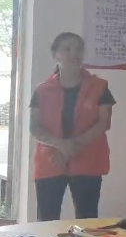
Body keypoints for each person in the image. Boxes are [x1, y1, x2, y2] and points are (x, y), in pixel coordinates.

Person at [30, 32, 114, 221]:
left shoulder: (99, 86)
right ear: (55, 54)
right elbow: (34, 128)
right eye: (67, 49)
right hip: (51, 160)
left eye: (78, 49)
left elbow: (104, 123)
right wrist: (61, 145)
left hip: (88, 158)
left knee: (87, 219)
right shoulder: (42, 90)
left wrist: (73, 146)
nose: (74, 53)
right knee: (47, 219)